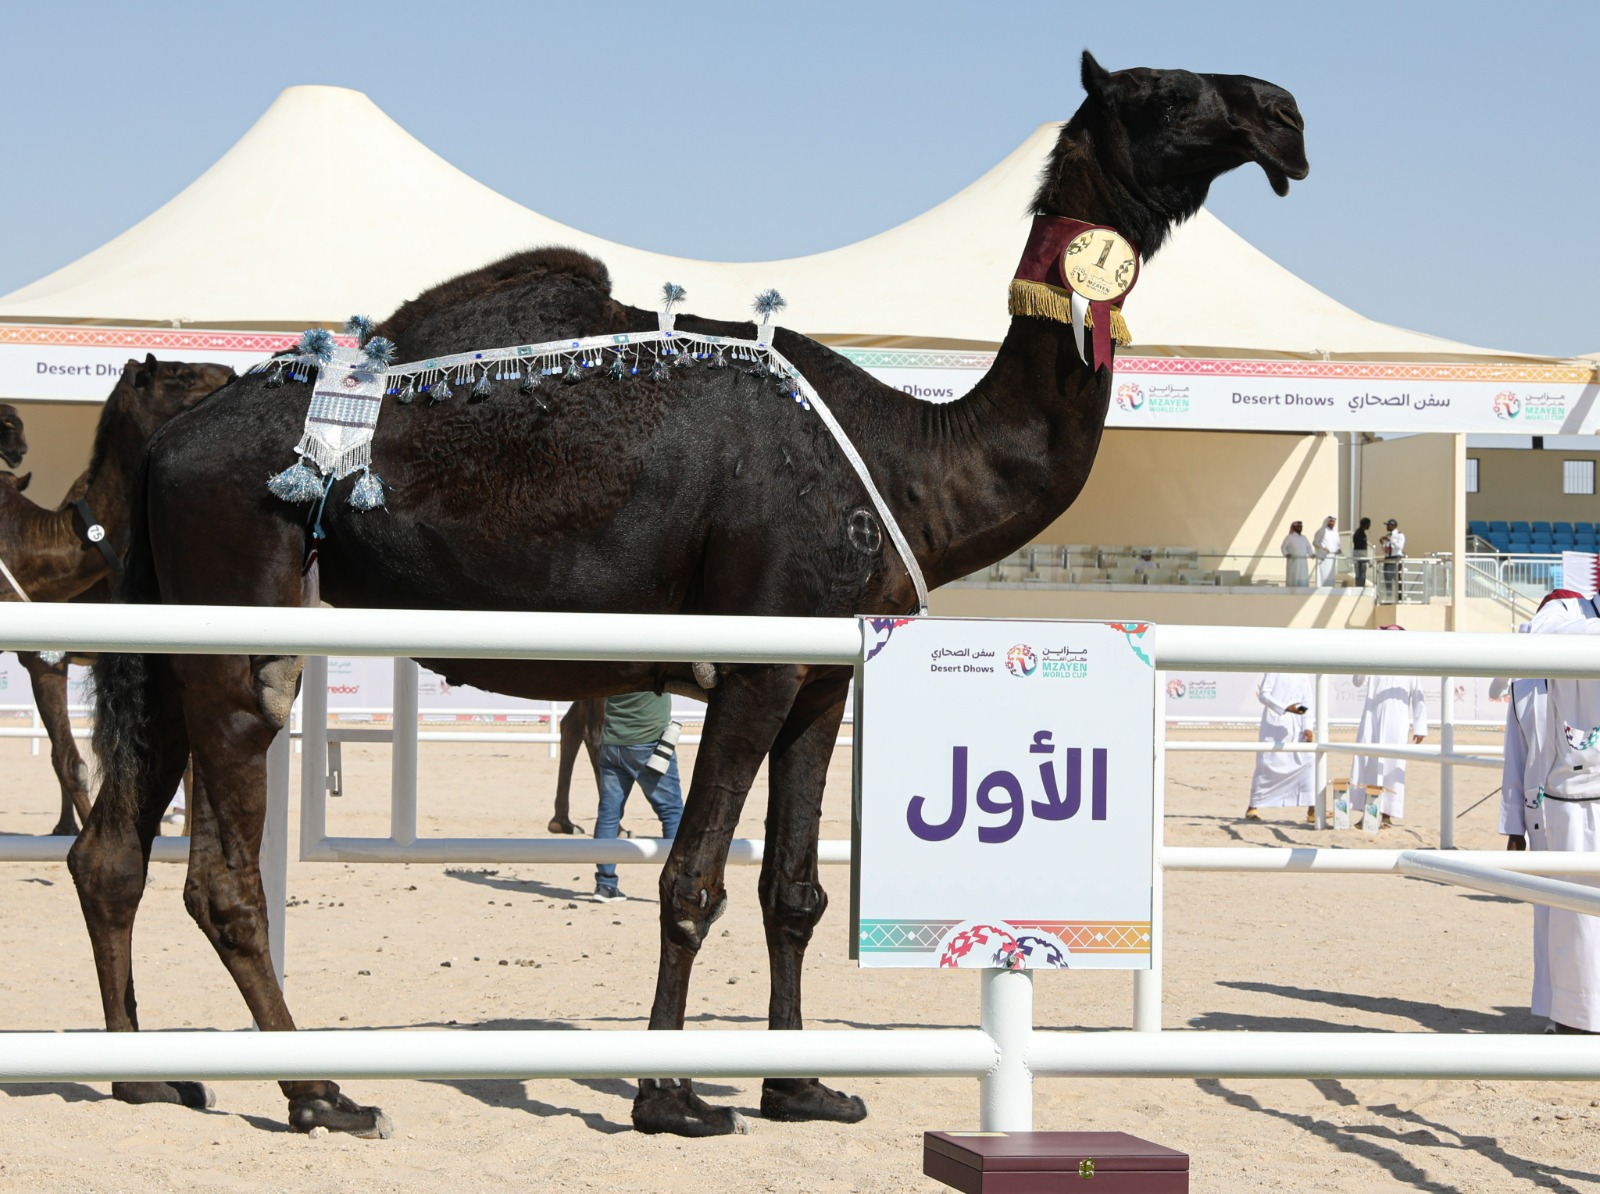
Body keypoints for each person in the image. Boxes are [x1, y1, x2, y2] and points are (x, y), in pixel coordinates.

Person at [1504, 589, 1600, 1033]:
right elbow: (1516, 753)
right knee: (1564, 918)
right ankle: (1566, 1015)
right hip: (1553, 807)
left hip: (1580, 800)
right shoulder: (1531, 668)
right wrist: (1513, 825)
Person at [590, 690, 685, 902]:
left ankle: (605, 885)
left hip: (612, 742)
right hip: (649, 743)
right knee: (672, 812)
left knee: (608, 815)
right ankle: (677, 885)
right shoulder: (655, 667)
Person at [1349, 626, 1428, 826]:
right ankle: (1368, 814)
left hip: (1397, 725)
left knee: (1393, 766)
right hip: (1371, 723)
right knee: (1368, 764)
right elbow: (1357, 681)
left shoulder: (1410, 667)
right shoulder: (1374, 661)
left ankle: (1386, 815)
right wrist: (1365, 656)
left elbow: (1418, 697)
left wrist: (1420, 727)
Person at [1244, 673, 1316, 823]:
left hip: (1297, 729)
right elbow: (1264, 695)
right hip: (1274, 726)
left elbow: (1306, 704)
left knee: (1308, 762)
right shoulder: (1275, 669)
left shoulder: (1303, 674)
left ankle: (1313, 809)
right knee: (1267, 765)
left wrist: (1308, 728)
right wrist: (1285, 708)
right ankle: (1253, 807)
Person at [1379, 517, 1406, 602]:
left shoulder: (1399, 535)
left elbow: (1400, 547)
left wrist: (1391, 541)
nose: (1387, 527)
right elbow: (1386, 550)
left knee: (1396, 578)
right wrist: (1383, 544)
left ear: (1393, 526)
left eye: (1388, 525)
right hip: (1388, 558)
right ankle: (1389, 596)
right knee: (1387, 578)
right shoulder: (1388, 535)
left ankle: (1399, 598)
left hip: (1395, 558)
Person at [1281, 520, 1313, 587]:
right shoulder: (1289, 537)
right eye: (1298, 526)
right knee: (1294, 577)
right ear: (1294, 528)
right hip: (1293, 561)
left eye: (1301, 526)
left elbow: (1309, 548)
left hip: (1303, 562)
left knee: (1303, 576)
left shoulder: (1304, 537)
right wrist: (1286, 554)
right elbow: (1283, 547)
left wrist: (1311, 554)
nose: (1300, 528)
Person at [1312, 515, 1340, 588]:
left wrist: (1338, 549)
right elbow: (1315, 542)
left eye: (1333, 521)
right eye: (1331, 521)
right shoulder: (1322, 531)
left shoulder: (1335, 533)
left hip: (1332, 558)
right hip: (1324, 558)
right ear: (1327, 521)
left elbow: (1337, 544)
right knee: (1323, 574)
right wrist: (1323, 547)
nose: (1332, 523)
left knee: (1330, 575)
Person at [1352, 517, 1372, 589]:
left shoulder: (1361, 533)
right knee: (1360, 574)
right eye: (1368, 524)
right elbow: (1359, 548)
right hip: (1359, 558)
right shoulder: (1359, 533)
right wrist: (1367, 559)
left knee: (1362, 574)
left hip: (1361, 557)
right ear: (1365, 524)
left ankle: (1360, 587)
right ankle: (1359, 588)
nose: (1369, 526)